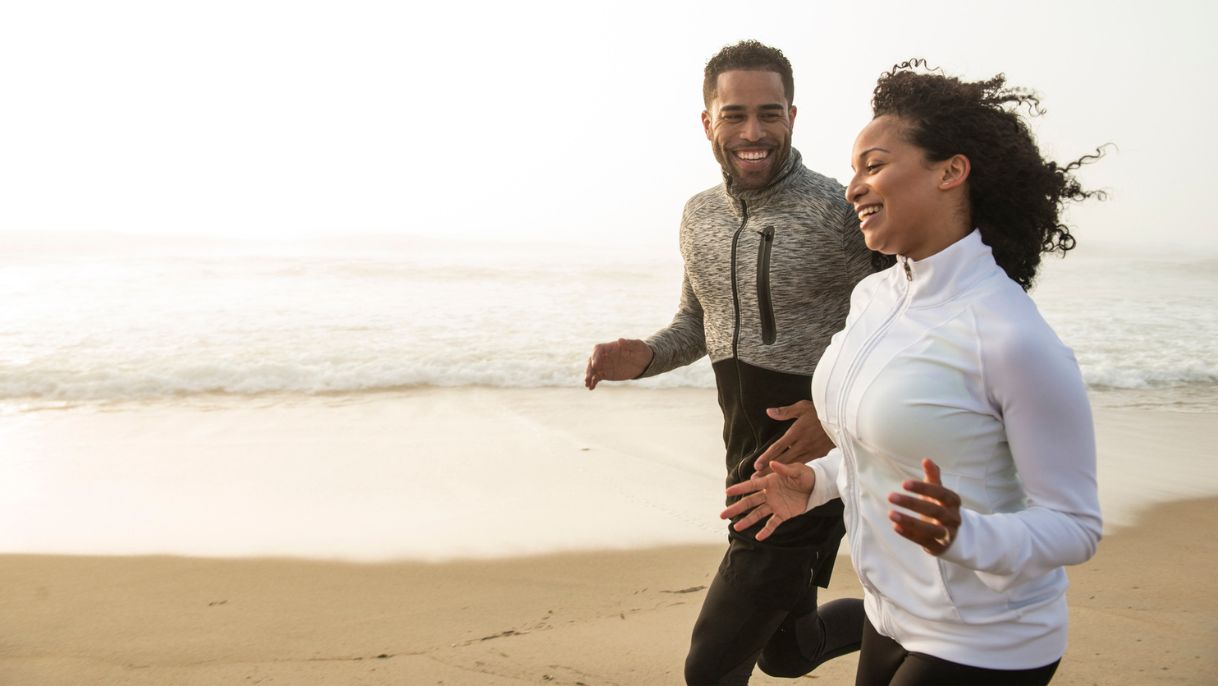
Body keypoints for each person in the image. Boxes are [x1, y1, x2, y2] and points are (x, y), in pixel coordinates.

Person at [723, 60, 1105, 685]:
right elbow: (886, 449)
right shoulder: (873, 298)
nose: (852, 188)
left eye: (873, 166)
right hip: (890, 615)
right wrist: (817, 482)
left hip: (988, 637)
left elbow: (1075, 526)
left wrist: (966, 536)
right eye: (853, 170)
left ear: (951, 172)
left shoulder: (1010, 338)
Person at [584, 41, 885, 684]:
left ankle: (907, 624)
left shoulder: (841, 211)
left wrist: (838, 414)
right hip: (741, 452)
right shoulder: (699, 216)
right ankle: (903, 624)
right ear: (708, 122)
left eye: (770, 114)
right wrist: (643, 356)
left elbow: (908, 322)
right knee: (788, 651)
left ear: (793, 117)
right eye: (736, 115)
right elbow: (698, 326)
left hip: (811, 464)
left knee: (711, 666)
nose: (754, 132)